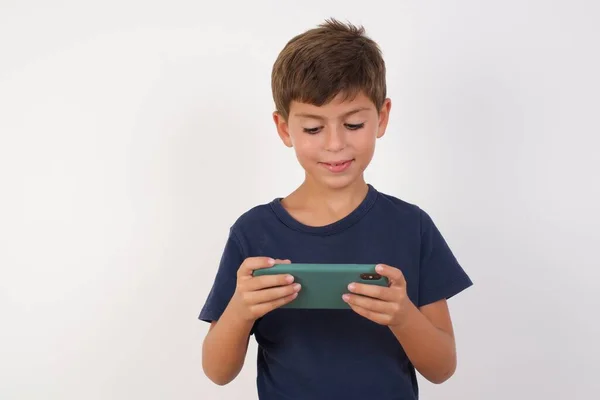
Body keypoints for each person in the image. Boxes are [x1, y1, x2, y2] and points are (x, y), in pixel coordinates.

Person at [199, 18, 473, 399]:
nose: (335, 144)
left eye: (354, 123)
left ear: (382, 117)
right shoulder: (253, 232)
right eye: (313, 129)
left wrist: (402, 315)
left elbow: (442, 368)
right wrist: (240, 310)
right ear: (283, 129)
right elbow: (217, 371)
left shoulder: (412, 226)